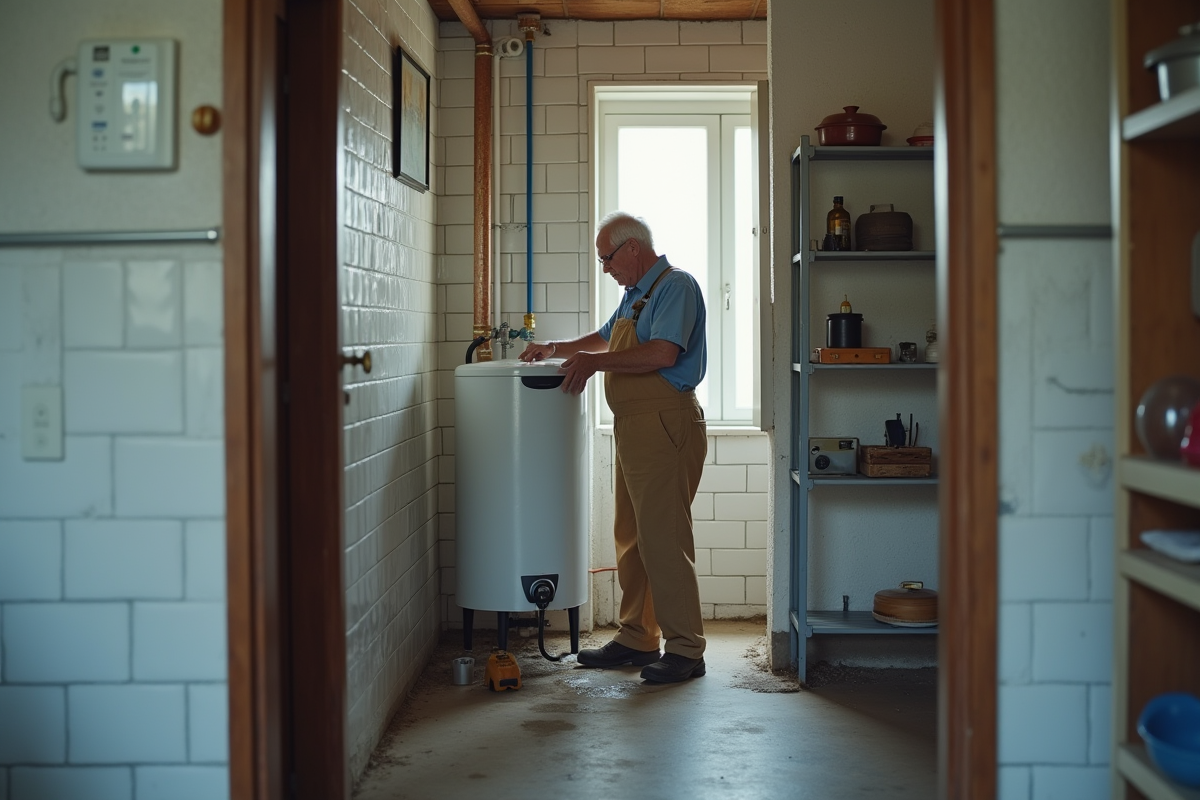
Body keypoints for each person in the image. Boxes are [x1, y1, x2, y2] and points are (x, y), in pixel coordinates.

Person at [519, 211, 708, 683]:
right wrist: (557, 347)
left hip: (665, 421)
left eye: (607, 257)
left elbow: (662, 353)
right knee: (632, 536)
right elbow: (603, 339)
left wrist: (594, 364)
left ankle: (686, 649)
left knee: (663, 537)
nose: (605, 267)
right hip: (635, 425)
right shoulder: (635, 296)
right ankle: (637, 637)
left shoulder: (674, 287)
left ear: (632, 249)